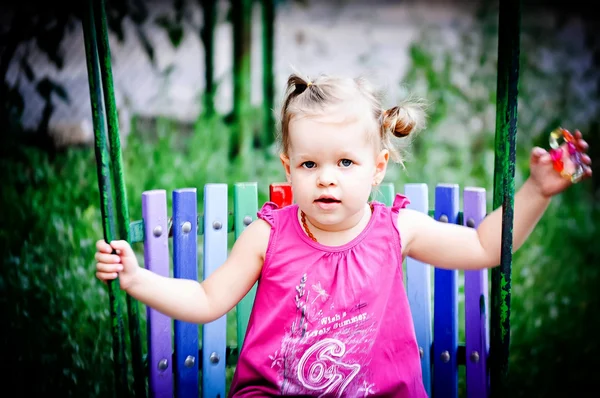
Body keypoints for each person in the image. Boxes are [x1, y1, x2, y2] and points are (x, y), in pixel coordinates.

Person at [95, 73, 592, 397]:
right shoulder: (268, 236)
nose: (326, 177)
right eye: (310, 164)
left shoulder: (397, 228)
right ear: (289, 168)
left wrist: (537, 190)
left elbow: (486, 246)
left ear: (377, 169)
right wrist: (138, 279)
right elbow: (206, 299)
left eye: (345, 163)